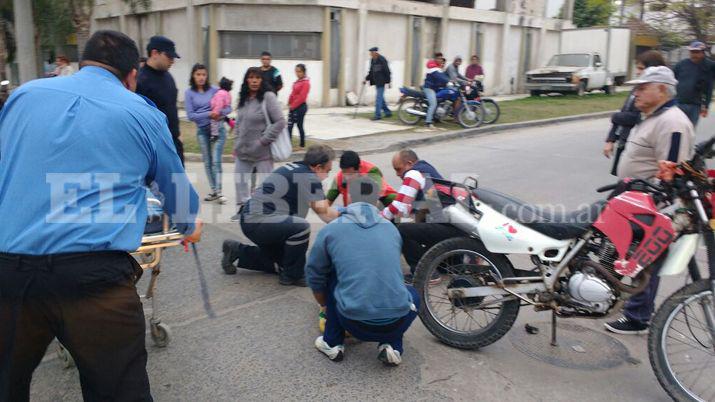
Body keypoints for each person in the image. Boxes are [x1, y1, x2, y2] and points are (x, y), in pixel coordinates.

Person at [0, 30, 202, 402]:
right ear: (131, 75)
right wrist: (191, 227)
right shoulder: (141, 112)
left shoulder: (23, 96)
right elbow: (177, 194)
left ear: (80, 64)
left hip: (9, 274)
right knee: (118, 391)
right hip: (94, 283)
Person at [604, 66, 695, 335]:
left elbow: (671, 172)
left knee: (647, 260)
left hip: (650, 205)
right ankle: (619, 299)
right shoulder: (652, 117)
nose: (636, 93)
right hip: (631, 199)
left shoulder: (673, 123)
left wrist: (653, 206)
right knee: (619, 251)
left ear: (663, 90)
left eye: (643, 88)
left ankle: (638, 316)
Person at [307, 181, 420, 366]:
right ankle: (392, 345)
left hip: (353, 321)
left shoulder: (331, 229)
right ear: (376, 200)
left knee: (335, 277)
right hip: (396, 321)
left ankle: (332, 343)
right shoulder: (391, 229)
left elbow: (315, 273)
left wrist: (324, 303)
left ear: (349, 198)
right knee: (411, 293)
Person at [221, 145, 341, 286]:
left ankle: (237, 251)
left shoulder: (294, 168)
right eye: (327, 171)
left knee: (283, 261)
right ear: (318, 167)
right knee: (301, 227)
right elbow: (325, 214)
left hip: (253, 219)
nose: (327, 176)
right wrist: (349, 217)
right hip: (260, 221)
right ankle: (293, 276)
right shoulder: (308, 177)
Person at [380, 150, 460, 282]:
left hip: (444, 225)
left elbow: (399, 206)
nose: (398, 174)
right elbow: (413, 206)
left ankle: (424, 273)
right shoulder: (426, 169)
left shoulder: (414, 173)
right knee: (405, 220)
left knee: (403, 228)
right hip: (450, 225)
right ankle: (437, 263)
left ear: (409, 163)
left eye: (398, 169)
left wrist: (379, 216)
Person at [231, 67, 286, 220]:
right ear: (246, 80)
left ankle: (268, 211)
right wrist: (236, 142)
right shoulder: (244, 97)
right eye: (251, 77)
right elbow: (239, 122)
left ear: (262, 80)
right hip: (243, 150)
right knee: (240, 181)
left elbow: (280, 122)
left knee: (267, 184)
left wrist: (263, 140)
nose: (254, 81)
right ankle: (243, 209)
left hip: (263, 152)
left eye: (257, 78)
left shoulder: (268, 97)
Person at [603, 50, 667, 175]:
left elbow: (637, 117)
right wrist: (610, 140)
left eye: (641, 68)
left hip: (637, 145)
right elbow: (624, 111)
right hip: (624, 139)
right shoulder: (637, 89)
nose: (637, 72)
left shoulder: (654, 98)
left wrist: (615, 116)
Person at [184, 64, 232, 204]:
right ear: (193, 75)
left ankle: (219, 191)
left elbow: (228, 107)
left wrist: (219, 113)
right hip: (202, 131)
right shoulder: (189, 93)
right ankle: (214, 190)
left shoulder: (215, 90)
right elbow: (191, 115)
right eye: (198, 74)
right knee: (208, 161)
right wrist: (209, 114)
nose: (201, 77)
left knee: (216, 160)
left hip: (218, 129)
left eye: (204, 74)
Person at [136, 35, 184, 164]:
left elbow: (171, 107)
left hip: (173, 142)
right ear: (154, 53)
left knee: (179, 182)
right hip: (153, 146)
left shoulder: (168, 77)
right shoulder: (140, 81)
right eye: (169, 56)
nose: (172, 61)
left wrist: (178, 134)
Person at [326, 150, 397, 207]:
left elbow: (375, 199)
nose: (347, 178)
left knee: (393, 199)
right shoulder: (338, 179)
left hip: (377, 203)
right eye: (344, 173)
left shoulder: (372, 171)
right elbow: (327, 203)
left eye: (350, 174)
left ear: (359, 168)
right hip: (352, 210)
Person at [673, 41, 713, 127]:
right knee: (676, 129)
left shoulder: (709, 66)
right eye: (692, 52)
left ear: (703, 52)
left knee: (690, 130)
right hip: (679, 103)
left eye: (697, 52)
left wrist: (706, 106)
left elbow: (709, 87)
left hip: (695, 106)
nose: (694, 55)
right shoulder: (681, 65)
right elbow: (672, 80)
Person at [364, 47, 392, 121]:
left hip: (381, 82)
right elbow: (371, 71)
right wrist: (366, 79)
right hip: (376, 82)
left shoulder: (382, 59)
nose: (370, 54)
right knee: (381, 99)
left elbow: (387, 71)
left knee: (378, 99)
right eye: (370, 53)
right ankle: (388, 112)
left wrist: (389, 81)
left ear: (375, 52)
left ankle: (377, 115)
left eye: (371, 52)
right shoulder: (372, 60)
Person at [288, 63, 310, 149]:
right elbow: (293, 93)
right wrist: (289, 102)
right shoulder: (297, 82)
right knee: (289, 126)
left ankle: (302, 145)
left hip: (300, 107)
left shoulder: (306, 83)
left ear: (304, 72)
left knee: (299, 126)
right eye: (296, 71)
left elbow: (302, 97)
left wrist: (293, 106)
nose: (297, 73)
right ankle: (288, 145)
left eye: (299, 72)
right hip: (293, 107)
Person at [423, 59, 450, 129]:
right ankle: (428, 122)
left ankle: (436, 117)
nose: (440, 63)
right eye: (439, 61)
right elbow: (441, 78)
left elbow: (443, 77)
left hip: (434, 88)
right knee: (433, 104)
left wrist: (451, 80)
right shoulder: (433, 70)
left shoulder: (437, 70)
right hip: (429, 88)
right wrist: (449, 81)